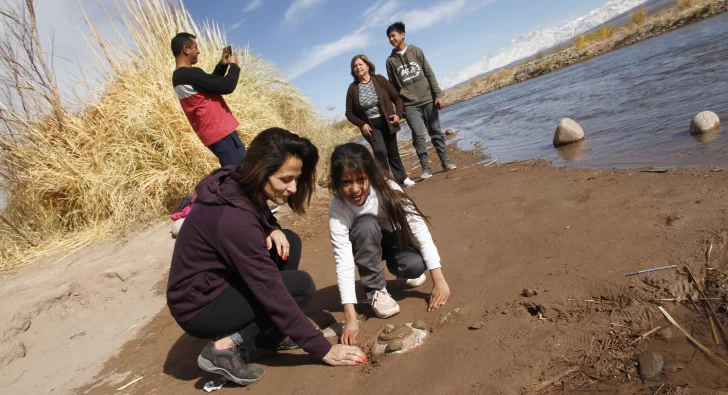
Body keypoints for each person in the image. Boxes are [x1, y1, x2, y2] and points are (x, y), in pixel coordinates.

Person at [167, 128, 366, 387]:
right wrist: (323, 349)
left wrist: (271, 227)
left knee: (288, 242)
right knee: (301, 287)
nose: (293, 188)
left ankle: (272, 332)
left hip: (214, 282)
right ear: (261, 170)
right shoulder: (233, 222)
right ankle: (224, 347)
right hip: (198, 306)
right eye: (285, 179)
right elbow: (271, 291)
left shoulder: (235, 180)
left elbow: (253, 209)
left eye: (296, 179)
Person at [327, 143, 451, 346]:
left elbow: (419, 230)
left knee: (415, 267)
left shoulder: (388, 189)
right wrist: (350, 317)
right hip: (364, 244)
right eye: (346, 182)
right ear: (337, 183)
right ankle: (375, 289)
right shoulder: (338, 208)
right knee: (365, 225)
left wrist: (439, 279)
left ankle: (401, 272)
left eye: (361, 179)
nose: (355, 189)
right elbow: (344, 261)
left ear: (370, 175)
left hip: (393, 239)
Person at [171, 32, 278, 213]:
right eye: (195, 48)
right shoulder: (188, 74)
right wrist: (235, 66)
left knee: (240, 171)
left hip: (214, 133)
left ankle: (256, 210)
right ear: (186, 49)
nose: (198, 52)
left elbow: (210, 85)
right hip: (220, 132)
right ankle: (254, 213)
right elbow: (225, 86)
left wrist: (222, 65)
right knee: (241, 174)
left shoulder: (182, 77)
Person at [385, 22, 456, 180]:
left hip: (427, 99)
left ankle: (445, 162)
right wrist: (399, 109)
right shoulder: (390, 61)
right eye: (389, 37)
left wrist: (438, 94)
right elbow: (393, 89)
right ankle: (426, 168)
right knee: (418, 135)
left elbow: (429, 73)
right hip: (409, 105)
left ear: (402, 35)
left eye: (393, 35)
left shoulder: (416, 51)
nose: (391, 39)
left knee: (435, 131)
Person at [345, 54, 415, 188]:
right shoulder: (353, 88)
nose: (358, 67)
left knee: (393, 152)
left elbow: (397, 98)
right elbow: (349, 113)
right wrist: (362, 124)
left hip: (388, 122)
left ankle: (403, 178)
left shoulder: (380, 80)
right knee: (380, 151)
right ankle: (388, 182)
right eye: (355, 66)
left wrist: (398, 115)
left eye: (360, 64)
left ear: (367, 65)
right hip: (371, 126)